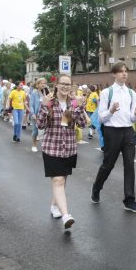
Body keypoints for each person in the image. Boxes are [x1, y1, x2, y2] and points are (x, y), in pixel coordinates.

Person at [91, 62, 136, 212]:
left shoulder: (132, 93)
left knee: (129, 166)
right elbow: (101, 118)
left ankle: (129, 200)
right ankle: (96, 188)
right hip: (112, 132)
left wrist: (135, 114)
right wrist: (111, 111)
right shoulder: (107, 93)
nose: (124, 74)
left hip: (128, 131)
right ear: (114, 74)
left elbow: (132, 120)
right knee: (108, 164)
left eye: (126, 71)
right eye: (121, 71)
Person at [37, 74, 88, 229]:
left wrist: (80, 107)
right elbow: (40, 125)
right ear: (57, 85)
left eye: (68, 84)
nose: (66, 86)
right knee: (58, 181)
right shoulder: (49, 102)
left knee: (62, 181)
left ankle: (54, 206)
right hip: (52, 148)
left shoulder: (73, 103)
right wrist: (45, 106)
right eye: (63, 84)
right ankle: (66, 215)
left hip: (69, 149)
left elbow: (83, 123)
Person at [30, 78, 48, 152]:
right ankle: (34, 145)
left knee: (46, 131)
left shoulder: (46, 92)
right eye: (41, 83)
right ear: (37, 85)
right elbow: (31, 104)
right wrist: (33, 113)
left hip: (45, 114)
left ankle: (45, 145)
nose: (43, 84)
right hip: (36, 114)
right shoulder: (34, 92)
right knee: (35, 131)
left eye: (44, 83)